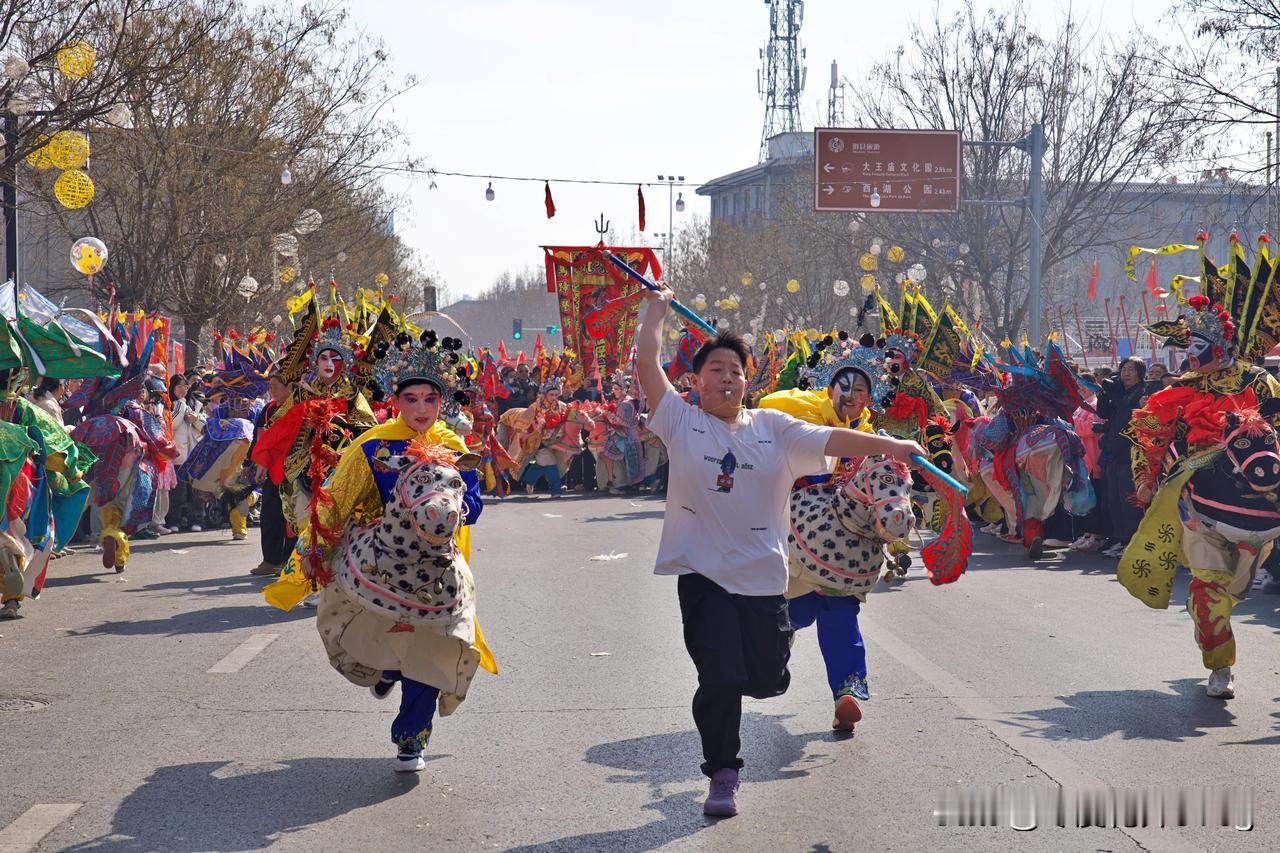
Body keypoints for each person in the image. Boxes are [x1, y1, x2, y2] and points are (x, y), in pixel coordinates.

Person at [634, 284, 924, 818]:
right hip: (703, 578)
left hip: (765, 578)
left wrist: (892, 446)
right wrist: (655, 310)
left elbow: (834, 442)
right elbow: (647, 361)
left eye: (736, 370)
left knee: (767, 680)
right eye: (716, 369)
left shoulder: (774, 427)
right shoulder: (680, 421)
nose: (727, 377)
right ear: (696, 381)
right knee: (718, 677)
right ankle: (723, 773)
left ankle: (770, 667)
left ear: (748, 381)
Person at [265, 329, 496, 772]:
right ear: (396, 401)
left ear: (442, 402)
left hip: (437, 565)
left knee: (434, 648)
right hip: (379, 561)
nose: (423, 409)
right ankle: (385, 671)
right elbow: (336, 498)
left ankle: (412, 738)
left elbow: (474, 503)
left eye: (431, 399)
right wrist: (316, 547)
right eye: (413, 399)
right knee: (368, 631)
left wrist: (456, 509)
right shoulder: (372, 446)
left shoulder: (454, 448)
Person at [758, 332, 890, 726]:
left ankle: (846, 692)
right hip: (795, 542)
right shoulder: (803, 419)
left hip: (845, 552)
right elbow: (767, 410)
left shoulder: (871, 439)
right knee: (790, 615)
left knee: (841, 615)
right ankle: (774, 652)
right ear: (829, 388)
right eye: (843, 386)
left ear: (870, 397)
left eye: (861, 389)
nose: (851, 395)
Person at [1094, 356, 1147, 558]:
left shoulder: (1142, 393)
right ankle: (1119, 538)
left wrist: (1117, 397)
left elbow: (1130, 416)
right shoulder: (1118, 390)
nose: (1126, 373)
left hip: (1131, 454)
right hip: (1112, 452)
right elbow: (1104, 413)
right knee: (1112, 500)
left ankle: (1132, 541)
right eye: (1124, 368)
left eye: (1131, 369)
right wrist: (1103, 394)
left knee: (1129, 501)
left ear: (1140, 373)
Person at [249, 372, 295, 576]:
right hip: (270, 468)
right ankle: (270, 559)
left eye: (276, 385)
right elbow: (257, 438)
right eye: (270, 386)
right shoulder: (267, 410)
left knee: (291, 517)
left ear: (289, 387)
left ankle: (289, 561)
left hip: (293, 469)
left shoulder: (296, 408)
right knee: (269, 514)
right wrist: (252, 462)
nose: (271, 390)